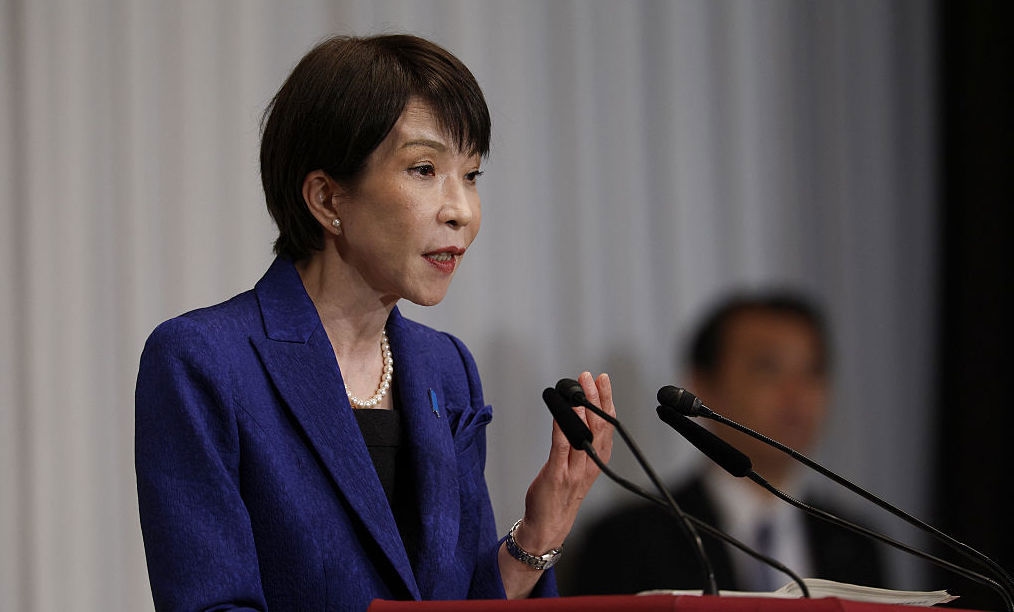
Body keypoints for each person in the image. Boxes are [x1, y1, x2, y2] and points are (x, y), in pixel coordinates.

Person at [134, 34, 615, 611]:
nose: (461, 210)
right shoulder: (204, 361)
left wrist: (543, 529)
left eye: (471, 174)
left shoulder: (447, 368)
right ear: (326, 198)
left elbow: (457, 602)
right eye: (424, 169)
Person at [559, 291, 887, 595]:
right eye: (768, 368)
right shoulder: (628, 540)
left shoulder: (856, 543)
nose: (797, 394)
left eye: (812, 371)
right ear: (702, 387)